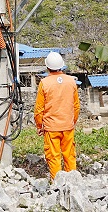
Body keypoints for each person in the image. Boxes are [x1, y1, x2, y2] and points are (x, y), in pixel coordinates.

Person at [33, 51, 80, 179]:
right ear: (61, 65)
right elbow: (76, 106)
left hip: (51, 128)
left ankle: (57, 183)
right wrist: (72, 122)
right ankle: (72, 182)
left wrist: (39, 125)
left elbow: (39, 109)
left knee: (53, 157)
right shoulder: (71, 81)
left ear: (47, 67)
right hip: (68, 126)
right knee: (69, 155)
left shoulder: (44, 83)